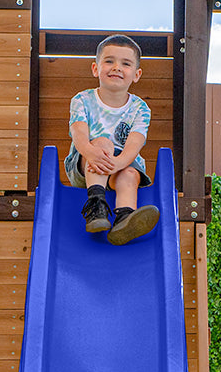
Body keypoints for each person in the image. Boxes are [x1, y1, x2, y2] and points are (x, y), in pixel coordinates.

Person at [65, 34, 159, 245]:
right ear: (95, 68)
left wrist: (117, 163)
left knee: (130, 173)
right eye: (109, 61)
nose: (116, 67)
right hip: (85, 164)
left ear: (136, 74)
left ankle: (124, 219)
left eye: (125, 64)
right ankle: (96, 206)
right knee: (103, 144)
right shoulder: (82, 100)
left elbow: (134, 144)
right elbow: (79, 134)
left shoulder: (140, 108)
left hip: (121, 164)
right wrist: (92, 153)